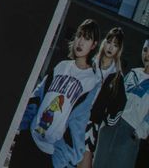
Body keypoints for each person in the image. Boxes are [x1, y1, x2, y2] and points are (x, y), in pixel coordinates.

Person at [14, 19, 103, 166]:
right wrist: (23, 129)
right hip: (28, 140)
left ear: (93, 45)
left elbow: (78, 126)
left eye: (87, 39)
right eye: (79, 35)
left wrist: (58, 161)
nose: (80, 42)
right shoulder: (61, 66)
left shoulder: (91, 82)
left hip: (49, 155)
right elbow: (37, 97)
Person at [93, 40, 149, 168]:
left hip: (130, 132)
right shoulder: (133, 73)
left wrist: (139, 133)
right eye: (145, 50)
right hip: (110, 126)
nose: (147, 55)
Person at [80, 28, 126, 168]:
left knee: (84, 161)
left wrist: (105, 120)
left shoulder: (117, 77)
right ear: (104, 42)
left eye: (116, 45)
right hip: (74, 117)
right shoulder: (90, 63)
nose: (111, 47)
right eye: (109, 41)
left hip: (91, 123)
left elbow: (120, 105)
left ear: (119, 49)